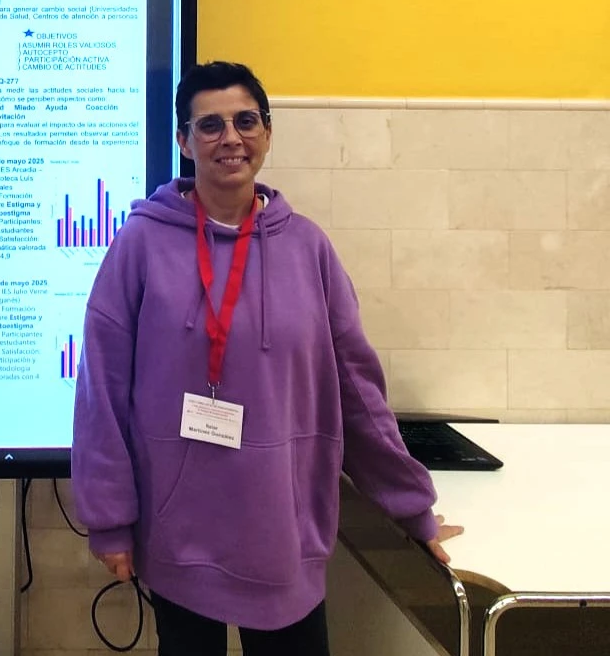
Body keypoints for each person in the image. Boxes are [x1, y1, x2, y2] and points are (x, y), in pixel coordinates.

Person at [71, 62, 461, 656]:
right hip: (178, 535)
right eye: (210, 125)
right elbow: (102, 387)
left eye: (246, 121)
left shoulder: (307, 247)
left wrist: (412, 508)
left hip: (283, 536)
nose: (230, 137)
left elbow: (357, 390)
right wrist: (110, 520)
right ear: (183, 141)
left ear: (268, 133)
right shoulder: (141, 244)